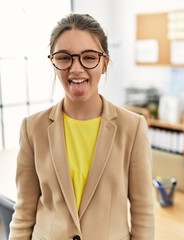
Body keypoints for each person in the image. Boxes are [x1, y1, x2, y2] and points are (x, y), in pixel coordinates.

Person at [9, 13, 154, 240]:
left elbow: (143, 213)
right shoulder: (32, 128)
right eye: (64, 57)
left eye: (88, 57)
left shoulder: (133, 127)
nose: (76, 68)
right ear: (53, 62)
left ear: (105, 63)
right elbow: (24, 212)